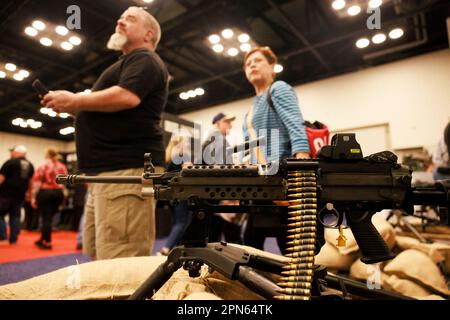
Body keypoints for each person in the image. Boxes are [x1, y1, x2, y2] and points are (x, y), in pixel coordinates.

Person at [41, 6, 169, 259]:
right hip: (109, 175)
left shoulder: (144, 58)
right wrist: (71, 107)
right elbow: (106, 110)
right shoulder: (126, 63)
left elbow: (127, 97)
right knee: (100, 255)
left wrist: (75, 100)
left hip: (126, 171)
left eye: (130, 19)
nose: (120, 22)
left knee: (120, 259)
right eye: (120, 18)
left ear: (148, 34)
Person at [242, 46, 312, 253]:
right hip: (260, 182)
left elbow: (295, 125)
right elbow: (251, 148)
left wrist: (302, 166)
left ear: (272, 67)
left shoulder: (278, 88)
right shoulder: (250, 109)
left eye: (258, 60)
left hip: (281, 179)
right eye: (248, 64)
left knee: (291, 246)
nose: (252, 65)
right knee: (251, 243)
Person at [202, 113, 243, 244]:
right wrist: (228, 195)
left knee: (213, 237)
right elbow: (221, 169)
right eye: (227, 122)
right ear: (217, 123)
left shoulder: (211, 139)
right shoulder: (218, 139)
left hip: (212, 195)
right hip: (220, 196)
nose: (230, 125)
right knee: (232, 237)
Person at [157, 134, 193, 255]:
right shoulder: (183, 155)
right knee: (181, 222)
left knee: (176, 222)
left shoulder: (167, 156)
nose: (187, 144)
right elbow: (187, 172)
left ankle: (174, 249)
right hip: (180, 192)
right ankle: (166, 248)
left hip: (169, 194)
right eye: (186, 142)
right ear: (181, 143)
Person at [31, 148, 68, 250]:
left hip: (45, 193)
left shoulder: (43, 165)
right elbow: (64, 182)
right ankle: (43, 238)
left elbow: (37, 182)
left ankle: (47, 242)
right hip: (58, 193)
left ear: (47, 154)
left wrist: (33, 197)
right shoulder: (62, 166)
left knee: (46, 218)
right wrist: (63, 196)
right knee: (50, 218)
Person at [0, 145, 34, 244]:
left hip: (5, 195)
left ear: (17, 152)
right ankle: (13, 239)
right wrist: (30, 195)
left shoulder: (10, 162)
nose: (11, 153)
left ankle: (3, 237)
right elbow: (31, 182)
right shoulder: (30, 165)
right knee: (15, 216)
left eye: (13, 152)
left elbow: (1, 178)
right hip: (20, 196)